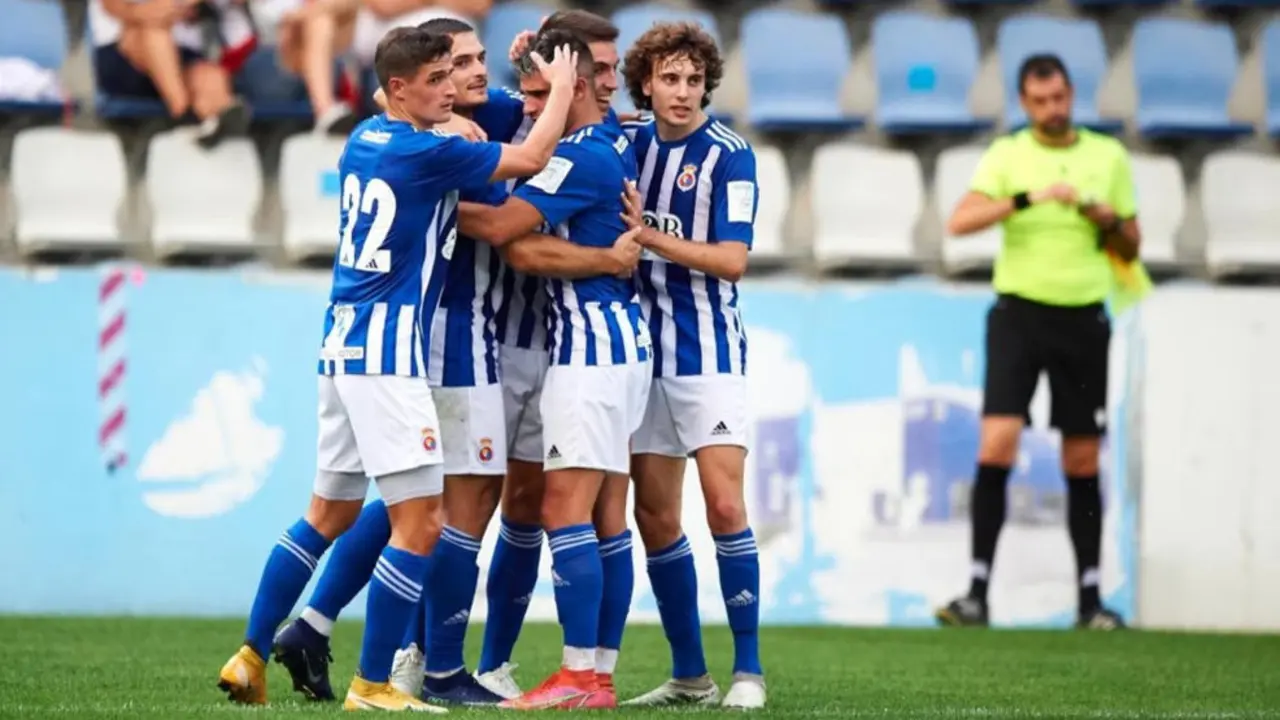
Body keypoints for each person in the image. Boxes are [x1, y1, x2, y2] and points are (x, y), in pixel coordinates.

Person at [215, 26, 579, 711]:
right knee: (422, 522)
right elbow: (530, 155)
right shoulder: (427, 152)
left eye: (454, 74)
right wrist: (560, 89)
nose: (450, 88)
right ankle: (373, 682)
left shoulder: (366, 138)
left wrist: (457, 129)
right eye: (438, 79)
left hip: (341, 346)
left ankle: (251, 654)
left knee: (327, 513)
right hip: (388, 360)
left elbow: (453, 136)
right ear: (400, 89)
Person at [458, 29, 649, 711]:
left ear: (579, 87)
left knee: (564, 511)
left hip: (590, 348)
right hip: (620, 342)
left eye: (545, 94)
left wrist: (431, 194)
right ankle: (596, 676)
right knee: (606, 520)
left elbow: (503, 228)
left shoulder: (579, 157)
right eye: (532, 94)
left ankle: (577, 674)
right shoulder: (614, 141)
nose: (532, 108)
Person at [934, 54, 1139, 631]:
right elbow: (961, 221)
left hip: (1082, 318)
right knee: (997, 443)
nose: (1052, 109)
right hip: (1019, 316)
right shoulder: (1009, 155)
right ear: (1025, 104)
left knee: (1081, 455)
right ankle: (976, 595)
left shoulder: (1108, 156)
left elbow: (1132, 247)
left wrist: (1106, 219)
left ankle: (1090, 602)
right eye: (1040, 101)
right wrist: (1028, 198)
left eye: (1060, 98)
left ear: (1072, 94)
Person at [608, 22, 765, 710]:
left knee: (726, 503)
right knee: (656, 517)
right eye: (669, 78)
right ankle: (690, 675)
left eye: (693, 80)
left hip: (710, 353)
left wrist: (647, 237)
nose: (682, 91)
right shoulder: (629, 144)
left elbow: (732, 261)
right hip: (641, 355)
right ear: (645, 82)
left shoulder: (729, 155)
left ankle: (750, 673)